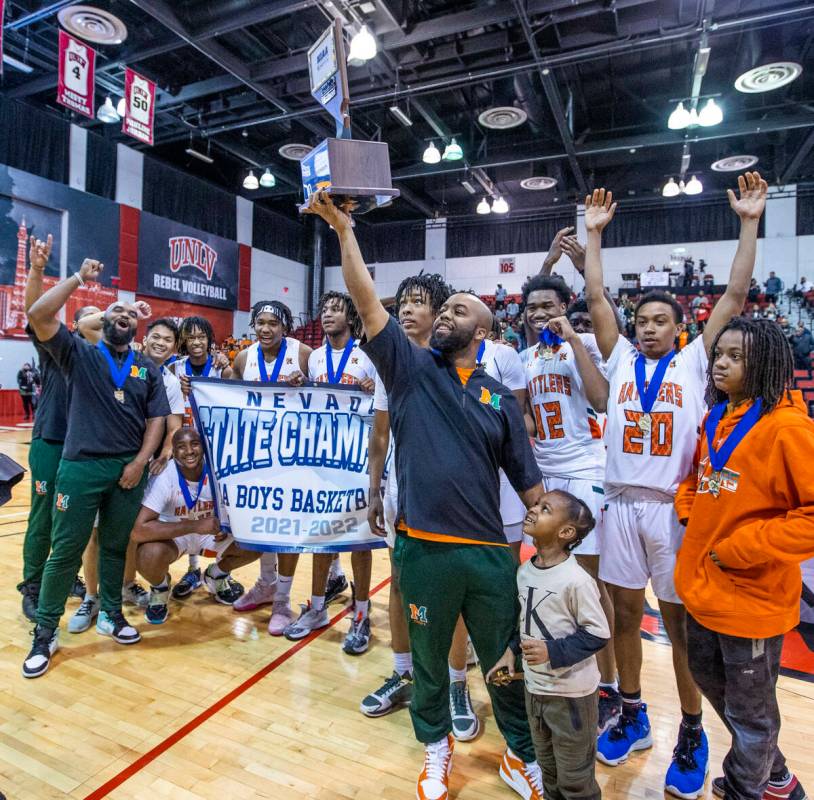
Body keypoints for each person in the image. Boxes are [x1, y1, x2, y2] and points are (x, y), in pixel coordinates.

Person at [305, 190, 545, 800]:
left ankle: (520, 756)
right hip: (423, 547)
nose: (443, 317)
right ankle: (436, 752)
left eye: (458, 311)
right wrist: (344, 232)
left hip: (489, 552)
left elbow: (529, 482)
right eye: (443, 311)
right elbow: (364, 300)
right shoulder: (410, 370)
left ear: (482, 329)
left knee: (504, 663)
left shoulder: (498, 396)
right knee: (431, 663)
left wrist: (552, 550)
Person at [583, 171, 767, 797]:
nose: (648, 327)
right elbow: (599, 300)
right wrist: (594, 238)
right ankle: (632, 711)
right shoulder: (621, 357)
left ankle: (691, 728)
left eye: (660, 319)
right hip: (621, 506)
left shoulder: (693, 361)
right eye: (643, 320)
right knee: (623, 617)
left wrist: (747, 224)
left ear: (680, 327)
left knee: (678, 625)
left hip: (671, 513)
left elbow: (735, 297)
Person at [674, 317, 814, 800]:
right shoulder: (716, 417)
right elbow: (702, 477)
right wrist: (689, 506)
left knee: (752, 715)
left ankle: (745, 789)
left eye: (737, 357)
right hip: (704, 587)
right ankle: (775, 777)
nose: (722, 364)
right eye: (720, 355)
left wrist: (743, 549)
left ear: (767, 366)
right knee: (714, 684)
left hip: (753, 597)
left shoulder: (789, 428)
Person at [23, 258, 170, 678]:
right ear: (103, 321)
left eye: (129, 314)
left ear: (136, 327)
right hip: (80, 467)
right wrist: (77, 280)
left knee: (113, 546)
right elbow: (38, 315)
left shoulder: (146, 368)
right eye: (114, 312)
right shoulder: (78, 353)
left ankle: (111, 614)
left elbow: (156, 419)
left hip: (127, 471)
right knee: (66, 551)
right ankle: (45, 631)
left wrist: (140, 462)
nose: (122, 316)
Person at [362, 272, 484, 742]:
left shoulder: (460, 365)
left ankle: (456, 685)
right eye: (404, 302)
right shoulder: (389, 363)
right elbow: (380, 434)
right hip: (399, 485)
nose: (407, 309)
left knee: (449, 592)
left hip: (448, 490)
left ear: (441, 315)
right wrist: (375, 489)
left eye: (418, 302)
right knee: (397, 583)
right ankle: (403, 672)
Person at [520, 273, 619, 733]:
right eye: (532, 307)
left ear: (565, 305)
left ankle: (610, 685)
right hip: (546, 474)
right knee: (553, 576)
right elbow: (523, 415)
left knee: (593, 584)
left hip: (584, 471)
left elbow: (601, 401)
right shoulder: (523, 359)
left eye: (548, 305)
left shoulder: (586, 346)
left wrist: (575, 341)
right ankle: (563, 665)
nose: (539, 313)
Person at [487, 490, 609, 800]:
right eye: (536, 506)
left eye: (544, 509)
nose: (533, 510)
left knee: (576, 781)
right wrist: (511, 652)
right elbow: (527, 623)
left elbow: (598, 633)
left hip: (571, 698)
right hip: (535, 690)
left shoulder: (577, 580)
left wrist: (552, 652)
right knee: (548, 773)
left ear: (566, 532)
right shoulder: (525, 572)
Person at [282, 290, 378, 655]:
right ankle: (318, 606)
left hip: (357, 460)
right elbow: (305, 400)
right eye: (324, 309)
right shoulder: (316, 357)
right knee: (322, 535)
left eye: (336, 309)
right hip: (322, 458)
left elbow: (383, 402)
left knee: (360, 540)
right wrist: (297, 381)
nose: (327, 314)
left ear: (351, 318)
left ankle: (362, 613)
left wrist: (373, 386)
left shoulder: (367, 355)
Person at [18, 234, 102, 622]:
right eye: (90, 316)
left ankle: (63, 575)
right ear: (74, 323)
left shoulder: (105, 358)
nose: (97, 320)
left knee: (72, 519)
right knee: (43, 516)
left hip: (84, 451)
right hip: (52, 442)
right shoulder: (58, 346)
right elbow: (36, 311)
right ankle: (32, 585)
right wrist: (37, 269)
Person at [229, 300, 312, 636]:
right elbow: (230, 396)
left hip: (294, 453)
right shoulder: (244, 357)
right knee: (263, 524)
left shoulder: (304, 352)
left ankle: (283, 599)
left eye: (272, 324)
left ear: (285, 327)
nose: (265, 329)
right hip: (256, 454)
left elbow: (326, 390)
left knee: (288, 528)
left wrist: (305, 380)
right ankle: (265, 584)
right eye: (260, 323)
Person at [133, 428, 254, 623]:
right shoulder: (165, 476)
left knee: (255, 541)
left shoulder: (219, 469)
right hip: (176, 535)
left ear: (203, 446)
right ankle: (160, 589)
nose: (189, 451)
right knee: (147, 555)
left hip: (211, 532)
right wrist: (195, 526)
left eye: (194, 444)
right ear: (173, 451)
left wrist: (227, 527)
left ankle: (216, 575)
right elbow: (138, 531)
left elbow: (239, 509)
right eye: (181, 447)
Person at [169, 316, 232, 599]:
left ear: (209, 339)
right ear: (184, 341)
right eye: (191, 337)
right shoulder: (174, 368)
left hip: (215, 448)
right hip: (184, 448)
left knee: (214, 507)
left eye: (201, 337)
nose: (196, 342)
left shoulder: (221, 367)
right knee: (186, 504)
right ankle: (193, 568)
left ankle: (218, 570)